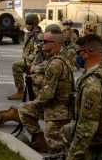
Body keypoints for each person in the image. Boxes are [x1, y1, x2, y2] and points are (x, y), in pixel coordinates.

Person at [18, 24, 75, 153]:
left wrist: (36, 102)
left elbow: (47, 94)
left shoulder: (54, 63)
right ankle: (40, 143)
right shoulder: (58, 59)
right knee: (24, 109)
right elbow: (52, 83)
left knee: (56, 149)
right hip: (58, 106)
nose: (41, 43)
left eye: (45, 41)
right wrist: (35, 79)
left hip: (57, 111)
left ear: (54, 44)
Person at [8, 14, 42, 100]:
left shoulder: (38, 36)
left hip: (34, 62)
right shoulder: (29, 34)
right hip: (29, 60)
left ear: (34, 25)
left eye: (28, 24)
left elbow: (37, 51)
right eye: (26, 24)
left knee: (16, 65)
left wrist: (28, 60)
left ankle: (20, 91)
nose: (26, 26)